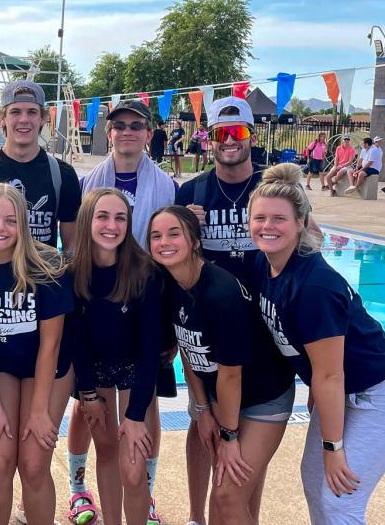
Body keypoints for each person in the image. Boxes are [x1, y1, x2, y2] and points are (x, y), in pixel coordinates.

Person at [251, 163, 385, 522]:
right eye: (260, 218)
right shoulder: (269, 264)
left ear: (299, 223)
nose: (267, 227)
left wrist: (334, 447)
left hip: (380, 391)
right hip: (342, 388)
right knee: (316, 481)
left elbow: (329, 375)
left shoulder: (314, 287)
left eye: (279, 219)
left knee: (341, 497)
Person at [173, 96, 283, 525]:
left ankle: (239, 515)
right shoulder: (192, 192)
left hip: (263, 334)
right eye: (221, 133)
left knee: (250, 437)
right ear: (210, 139)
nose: (230, 141)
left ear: (251, 136)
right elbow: (175, 260)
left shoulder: (271, 192)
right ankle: (196, 517)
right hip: (211, 332)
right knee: (202, 426)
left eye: (238, 133)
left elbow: (304, 242)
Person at [67, 100, 178, 522]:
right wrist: (89, 389)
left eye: (137, 125)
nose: (128, 131)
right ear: (109, 132)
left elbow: (178, 240)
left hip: (141, 311)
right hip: (97, 336)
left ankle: (142, 491)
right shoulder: (87, 184)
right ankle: (79, 486)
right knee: (89, 414)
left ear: (148, 133)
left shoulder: (166, 186)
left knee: (141, 422)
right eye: (120, 125)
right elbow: (76, 333)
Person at [149, 205, 293, 524]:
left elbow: (230, 375)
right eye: (156, 236)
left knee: (227, 494)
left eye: (174, 234)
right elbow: (188, 348)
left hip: (262, 396)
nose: (164, 242)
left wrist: (229, 437)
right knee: (226, 498)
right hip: (219, 395)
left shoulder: (220, 293)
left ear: (195, 241)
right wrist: (201, 410)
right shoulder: (167, 283)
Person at [0, 183, 73, 525]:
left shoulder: (47, 265)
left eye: (10, 220)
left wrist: (39, 411)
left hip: (48, 368)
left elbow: (50, 345)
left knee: (35, 463)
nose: (0, 228)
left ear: (23, 224)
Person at [66, 189, 162, 525]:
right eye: (103, 217)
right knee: (106, 452)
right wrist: (88, 395)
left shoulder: (145, 272)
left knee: (134, 467)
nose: (112, 225)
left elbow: (151, 350)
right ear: (87, 220)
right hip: (98, 372)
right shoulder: (73, 272)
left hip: (138, 369)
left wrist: (135, 416)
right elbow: (77, 342)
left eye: (120, 218)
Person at [0, 80, 81, 251]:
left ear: (43, 118)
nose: (24, 119)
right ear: (2, 119)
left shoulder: (63, 175)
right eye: (15, 112)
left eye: (32, 112)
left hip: (43, 276)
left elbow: (71, 251)